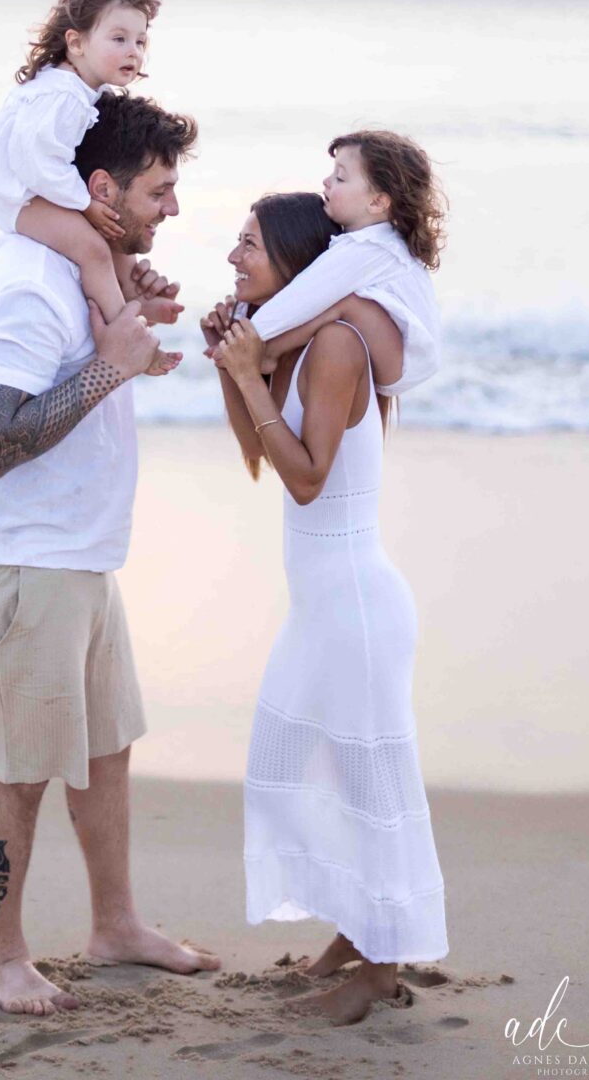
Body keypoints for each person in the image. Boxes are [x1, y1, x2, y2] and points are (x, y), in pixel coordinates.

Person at [0, 90, 218, 1017]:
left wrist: (120, 337)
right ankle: (3, 954)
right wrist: (111, 367)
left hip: (76, 555)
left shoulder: (78, 278)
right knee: (19, 770)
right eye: (158, 190)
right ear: (100, 186)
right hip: (18, 562)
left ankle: (115, 926)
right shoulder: (25, 281)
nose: (170, 209)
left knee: (104, 750)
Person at [207, 191, 449, 1026]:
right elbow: (254, 454)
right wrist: (231, 367)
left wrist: (250, 373)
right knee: (290, 766)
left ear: (295, 259)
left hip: (355, 602)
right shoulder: (295, 346)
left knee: (370, 783)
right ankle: (357, 927)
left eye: (246, 246)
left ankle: (379, 970)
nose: (233, 258)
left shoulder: (339, 344)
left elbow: (306, 482)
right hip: (323, 607)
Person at [0, 0, 174, 348]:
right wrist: (84, 202)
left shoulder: (80, 88)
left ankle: (131, 306)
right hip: (20, 196)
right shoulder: (64, 95)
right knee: (93, 249)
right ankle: (129, 341)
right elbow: (36, 162)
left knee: (113, 231)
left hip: (34, 189)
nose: (132, 52)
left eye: (139, 42)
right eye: (118, 39)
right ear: (77, 42)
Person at [240, 131, 447, 396]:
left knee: (345, 302)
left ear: (377, 201)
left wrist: (249, 335)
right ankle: (268, 348)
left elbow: (304, 293)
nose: (326, 182)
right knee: (341, 302)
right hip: (396, 352)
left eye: (340, 178)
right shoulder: (376, 242)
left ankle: (271, 351)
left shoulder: (371, 246)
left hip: (403, 363)